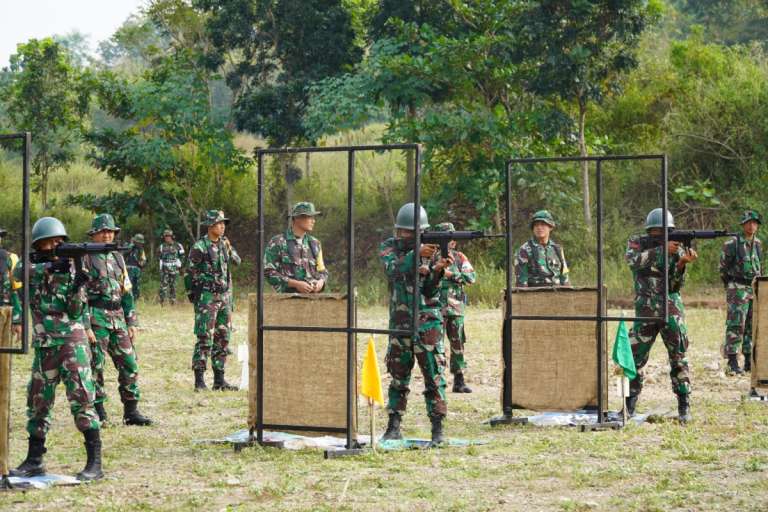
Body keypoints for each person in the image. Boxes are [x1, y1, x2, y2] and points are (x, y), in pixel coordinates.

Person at [10, 217, 103, 481]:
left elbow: (75, 311)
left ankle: (94, 463)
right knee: (38, 403)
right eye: (50, 242)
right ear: (39, 245)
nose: (56, 245)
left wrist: (76, 284)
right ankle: (34, 460)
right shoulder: (35, 268)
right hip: (44, 345)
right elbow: (18, 275)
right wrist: (50, 266)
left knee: (83, 400)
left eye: (59, 241)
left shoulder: (72, 269)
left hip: (72, 345)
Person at [380, 203, 452, 446]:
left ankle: (438, 429)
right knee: (398, 377)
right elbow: (392, 269)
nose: (404, 236)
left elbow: (431, 289)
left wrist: (438, 271)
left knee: (434, 377)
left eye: (409, 233)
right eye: (402, 232)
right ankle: (393, 426)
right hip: (400, 324)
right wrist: (416, 254)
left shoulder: (430, 251)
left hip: (427, 324)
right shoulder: (389, 247)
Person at [625, 208, 697, 424]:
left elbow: (675, 285)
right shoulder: (637, 242)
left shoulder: (676, 248)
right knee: (634, 358)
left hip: (671, 310)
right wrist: (661, 250)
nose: (661, 235)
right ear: (649, 231)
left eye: (665, 231)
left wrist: (682, 263)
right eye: (656, 232)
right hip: (645, 310)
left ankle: (684, 406)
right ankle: (629, 405)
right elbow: (633, 262)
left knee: (678, 357)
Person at [83, 214, 152, 426]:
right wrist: (86, 326)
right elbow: (79, 295)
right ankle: (99, 410)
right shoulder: (85, 258)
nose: (107, 235)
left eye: (110, 231)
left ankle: (131, 411)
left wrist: (132, 322)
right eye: (103, 231)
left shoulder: (118, 257)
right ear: (94, 234)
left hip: (118, 319)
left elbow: (127, 293)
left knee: (129, 364)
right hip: (97, 319)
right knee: (96, 366)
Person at [186, 209, 238, 391]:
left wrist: (230, 249)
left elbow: (237, 262)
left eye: (224, 223)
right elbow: (190, 274)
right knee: (204, 338)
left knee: (223, 337)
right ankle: (199, 380)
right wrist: (194, 295)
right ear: (210, 226)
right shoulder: (199, 247)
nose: (223, 226)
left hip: (224, 297)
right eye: (219, 223)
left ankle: (219, 380)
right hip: (207, 297)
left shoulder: (224, 244)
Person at [433, 222, 477, 393]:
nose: (449, 241)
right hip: (435, 308)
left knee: (457, 344)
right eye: (445, 237)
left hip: (456, 308)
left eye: (451, 237)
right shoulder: (430, 256)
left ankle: (459, 380)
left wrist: (452, 275)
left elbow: (471, 278)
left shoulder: (459, 258)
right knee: (436, 346)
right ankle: (437, 381)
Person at [720, 210, 763, 375]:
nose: (752, 226)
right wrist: (730, 286)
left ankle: (748, 361)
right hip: (737, 287)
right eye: (748, 223)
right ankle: (732, 360)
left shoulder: (757, 243)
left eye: (754, 223)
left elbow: (758, 266)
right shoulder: (732, 243)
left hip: (754, 288)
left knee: (752, 326)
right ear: (743, 224)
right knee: (736, 324)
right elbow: (722, 268)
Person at [264, 201, 328, 293]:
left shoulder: (315, 243)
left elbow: (322, 271)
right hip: (285, 301)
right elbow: (268, 272)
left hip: (313, 301)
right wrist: (295, 284)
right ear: (298, 218)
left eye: (313, 217)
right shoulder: (277, 242)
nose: (313, 221)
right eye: (310, 217)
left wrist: (320, 282)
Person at [515, 210, 570, 287]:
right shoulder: (525, 250)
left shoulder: (557, 249)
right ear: (533, 228)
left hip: (558, 294)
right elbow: (521, 283)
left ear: (550, 227)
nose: (539, 228)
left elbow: (565, 278)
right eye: (536, 225)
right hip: (535, 295)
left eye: (543, 224)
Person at [0, 227, 21, 325]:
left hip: (5, 311)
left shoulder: (11, 258)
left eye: (0, 236)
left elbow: (15, 290)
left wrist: (17, 320)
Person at [158, 229, 184, 304]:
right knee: (163, 286)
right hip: (165, 269)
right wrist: (160, 265)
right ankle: (161, 302)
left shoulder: (178, 245)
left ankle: (173, 302)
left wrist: (180, 263)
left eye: (168, 236)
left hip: (174, 269)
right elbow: (159, 257)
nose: (167, 238)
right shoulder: (162, 246)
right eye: (165, 236)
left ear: (172, 236)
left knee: (173, 286)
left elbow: (183, 256)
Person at [125, 234, 148, 301]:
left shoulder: (141, 250)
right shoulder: (128, 247)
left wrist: (142, 264)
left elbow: (144, 260)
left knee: (136, 287)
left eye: (141, 243)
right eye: (139, 242)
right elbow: (123, 253)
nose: (140, 244)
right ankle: (128, 300)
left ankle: (135, 300)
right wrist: (130, 247)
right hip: (128, 269)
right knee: (128, 286)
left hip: (137, 270)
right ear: (135, 241)